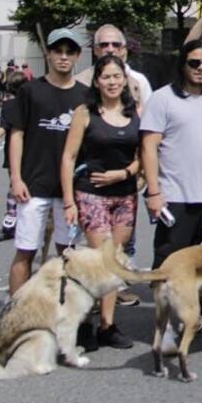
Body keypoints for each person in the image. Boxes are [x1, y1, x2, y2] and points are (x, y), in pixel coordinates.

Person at [60, 54, 140, 349]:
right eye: (106, 77)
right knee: (101, 259)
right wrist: (69, 201)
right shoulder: (84, 112)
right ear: (96, 81)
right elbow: (68, 157)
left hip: (125, 195)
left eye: (116, 76)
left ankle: (108, 325)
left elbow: (142, 157)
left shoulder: (134, 113)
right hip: (90, 193)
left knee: (114, 262)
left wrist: (124, 173)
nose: (112, 82)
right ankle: (84, 322)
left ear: (125, 80)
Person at [7, 29, 89, 295]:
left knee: (68, 253)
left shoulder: (85, 95)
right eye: (58, 51)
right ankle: (15, 311)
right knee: (26, 251)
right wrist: (16, 178)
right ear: (48, 54)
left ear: (77, 56)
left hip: (69, 191)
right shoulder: (31, 90)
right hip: (33, 186)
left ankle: (65, 311)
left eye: (69, 52)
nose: (63, 57)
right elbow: (16, 135)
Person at [140, 41, 202, 268]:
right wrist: (153, 192)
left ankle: (199, 306)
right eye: (194, 63)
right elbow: (148, 147)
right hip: (173, 197)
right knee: (169, 265)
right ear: (183, 65)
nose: (201, 68)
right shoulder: (162, 98)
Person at [76, 25, 153, 110]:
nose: (110, 49)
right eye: (104, 45)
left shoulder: (139, 80)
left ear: (123, 49)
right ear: (95, 50)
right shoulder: (80, 80)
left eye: (116, 44)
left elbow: (149, 115)